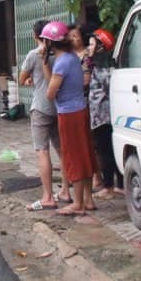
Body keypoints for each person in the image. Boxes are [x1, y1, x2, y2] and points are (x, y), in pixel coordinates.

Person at [42, 22, 97, 216]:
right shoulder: (72, 58)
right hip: (80, 109)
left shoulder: (62, 62)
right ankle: (88, 200)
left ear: (50, 43)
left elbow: (50, 93)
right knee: (85, 154)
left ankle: (78, 203)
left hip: (68, 114)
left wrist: (45, 67)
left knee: (74, 157)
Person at [20, 20, 69, 211]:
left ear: (35, 36)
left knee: (42, 151)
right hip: (59, 107)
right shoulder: (61, 54)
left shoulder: (34, 55)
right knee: (62, 151)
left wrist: (31, 77)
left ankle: (48, 196)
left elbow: (21, 78)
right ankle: (65, 191)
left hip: (41, 107)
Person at [88, 29, 123, 199]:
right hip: (101, 116)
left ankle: (109, 186)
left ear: (101, 47)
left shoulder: (104, 67)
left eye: (92, 44)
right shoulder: (99, 64)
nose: (89, 47)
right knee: (107, 150)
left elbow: (110, 90)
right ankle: (117, 185)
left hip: (104, 117)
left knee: (105, 151)